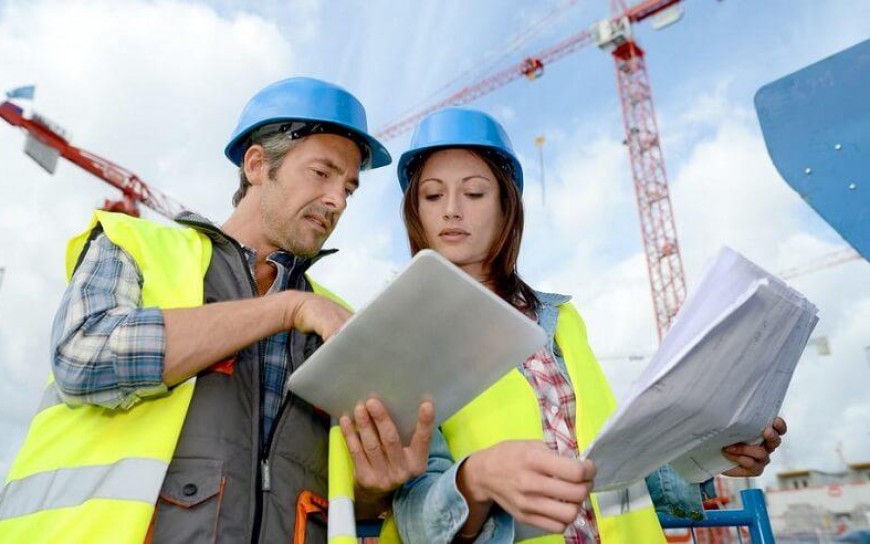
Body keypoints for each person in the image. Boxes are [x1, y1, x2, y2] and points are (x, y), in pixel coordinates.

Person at [0, 77, 434, 543]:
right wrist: (285, 309)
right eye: (322, 173)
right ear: (256, 164)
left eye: (349, 188)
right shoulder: (140, 244)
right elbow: (82, 355)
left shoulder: (336, 318)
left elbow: (348, 503)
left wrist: (374, 490)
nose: (337, 200)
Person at [380, 107, 787, 543]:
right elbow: (414, 516)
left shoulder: (564, 322)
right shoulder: (405, 337)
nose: (452, 211)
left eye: (475, 193)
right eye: (433, 196)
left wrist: (713, 455)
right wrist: (474, 480)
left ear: (506, 208)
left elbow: (616, 471)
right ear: (415, 212)